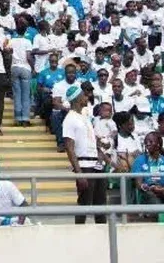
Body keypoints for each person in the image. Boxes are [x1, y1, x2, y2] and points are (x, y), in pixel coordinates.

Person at [61, 84, 106, 223]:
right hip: (84, 164)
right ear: (77, 98)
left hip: (96, 163)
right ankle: (79, 232)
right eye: (83, 95)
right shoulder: (70, 119)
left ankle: (103, 232)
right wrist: (79, 173)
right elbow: (69, 147)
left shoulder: (85, 115)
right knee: (84, 202)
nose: (87, 96)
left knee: (101, 203)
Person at [131, 132, 164, 207]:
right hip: (148, 193)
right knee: (156, 203)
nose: (147, 144)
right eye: (146, 142)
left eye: (151, 142)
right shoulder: (139, 160)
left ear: (158, 144)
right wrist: (151, 188)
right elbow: (139, 184)